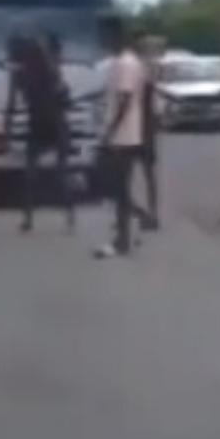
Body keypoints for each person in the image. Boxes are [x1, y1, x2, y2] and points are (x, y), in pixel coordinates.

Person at [6, 35, 76, 234]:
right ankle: (67, 215)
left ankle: (29, 218)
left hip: (43, 123)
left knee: (33, 174)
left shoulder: (24, 75)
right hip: (52, 122)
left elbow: (11, 104)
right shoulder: (49, 72)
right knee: (58, 172)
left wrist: (8, 126)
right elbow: (64, 94)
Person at [95, 15, 147, 259]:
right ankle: (126, 233)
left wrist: (110, 132)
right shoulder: (120, 62)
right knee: (118, 188)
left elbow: (125, 100)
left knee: (119, 188)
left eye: (104, 34)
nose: (101, 39)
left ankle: (123, 239)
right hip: (123, 133)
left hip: (123, 136)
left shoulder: (126, 64)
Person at [132, 33, 164, 231]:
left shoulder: (148, 71)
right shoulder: (147, 70)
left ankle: (147, 214)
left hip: (141, 126)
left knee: (137, 172)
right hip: (145, 125)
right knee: (147, 173)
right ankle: (149, 213)